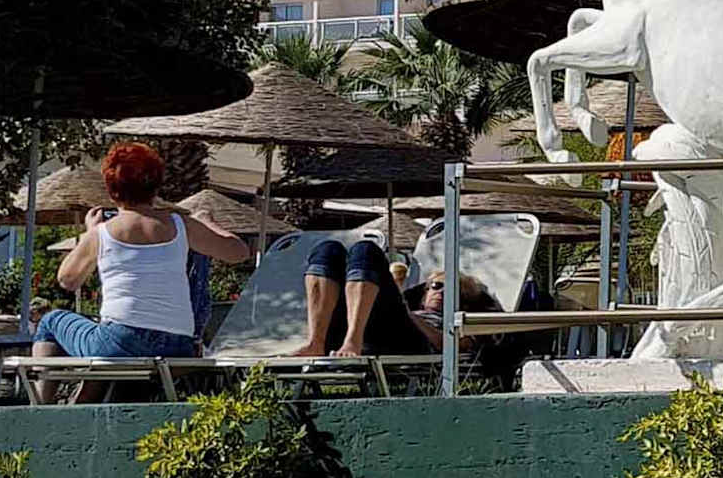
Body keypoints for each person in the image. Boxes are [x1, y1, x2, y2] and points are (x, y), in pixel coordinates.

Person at [29, 142, 254, 380]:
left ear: (111, 188)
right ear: (156, 186)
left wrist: (89, 232)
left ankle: (40, 400)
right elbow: (239, 252)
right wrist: (207, 222)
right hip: (178, 345)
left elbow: (67, 280)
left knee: (50, 321)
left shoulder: (102, 232)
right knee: (106, 341)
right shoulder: (181, 225)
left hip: (120, 343)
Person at [295, 237, 498, 357]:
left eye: (453, 291)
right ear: (424, 293)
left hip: (406, 341)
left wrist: (411, 316)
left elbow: (447, 345)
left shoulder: (460, 324)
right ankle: (316, 343)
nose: (441, 292)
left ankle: (353, 341)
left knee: (366, 250)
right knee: (328, 250)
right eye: (436, 286)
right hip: (361, 326)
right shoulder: (410, 306)